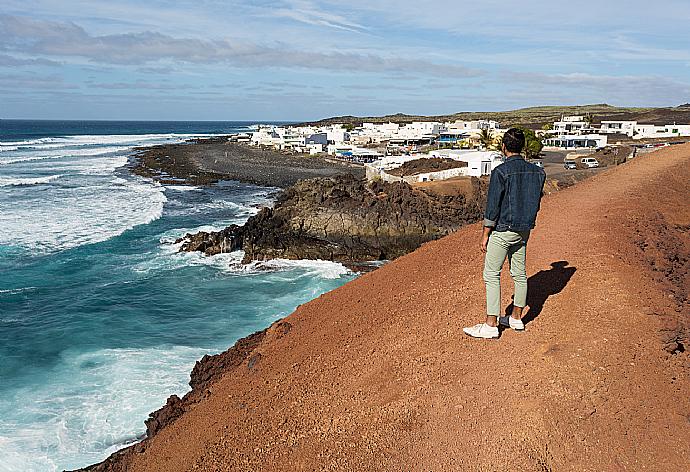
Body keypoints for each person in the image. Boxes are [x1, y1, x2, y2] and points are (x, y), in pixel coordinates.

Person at [463, 128, 546, 339]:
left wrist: (485, 234)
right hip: (524, 230)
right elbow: (536, 202)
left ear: (504, 147)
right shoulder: (538, 172)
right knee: (519, 273)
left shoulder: (500, 172)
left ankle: (491, 324)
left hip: (503, 230)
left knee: (491, 273)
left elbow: (492, 207)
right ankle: (516, 318)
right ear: (523, 147)